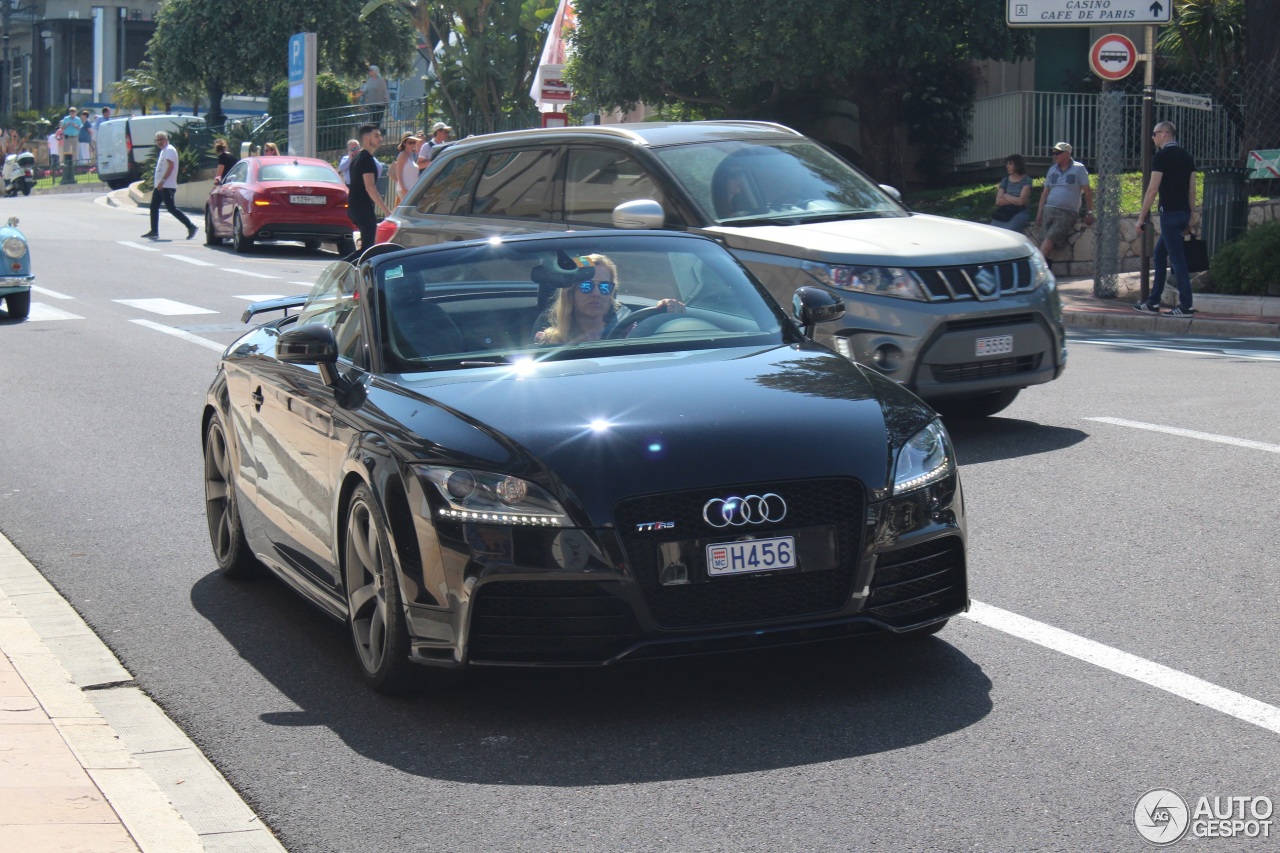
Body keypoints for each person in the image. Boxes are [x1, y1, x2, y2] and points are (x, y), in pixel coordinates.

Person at [1134, 121, 1199, 316]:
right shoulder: (1187, 156)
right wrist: (1191, 216)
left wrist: (1141, 218)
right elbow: (1193, 189)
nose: (1152, 138)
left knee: (1178, 261)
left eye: (1154, 134)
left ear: (1164, 133)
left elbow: (1152, 189)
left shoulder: (1161, 157)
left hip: (1169, 213)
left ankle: (1186, 305)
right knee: (1160, 254)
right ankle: (1153, 302)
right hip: (1183, 213)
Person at [1034, 141, 1093, 268]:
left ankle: (1034, 268)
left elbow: (1087, 191)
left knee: (1049, 240)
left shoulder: (1079, 168)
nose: (1055, 155)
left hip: (1066, 212)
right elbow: (1045, 193)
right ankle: (1046, 272)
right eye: (1054, 153)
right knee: (1047, 243)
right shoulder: (1052, 170)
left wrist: (1089, 212)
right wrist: (1039, 213)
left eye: (1058, 153)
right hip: (1049, 210)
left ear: (1067, 153)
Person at [343, 124, 392, 262]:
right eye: (376, 136)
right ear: (366, 138)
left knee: (366, 249)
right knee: (367, 250)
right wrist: (386, 211)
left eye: (380, 136)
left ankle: (351, 275)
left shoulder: (358, 157)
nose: (380, 139)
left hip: (356, 208)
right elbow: (370, 187)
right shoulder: (366, 159)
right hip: (362, 209)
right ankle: (339, 271)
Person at [141, 131, 198, 241]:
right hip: (160, 186)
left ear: (166, 139)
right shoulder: (164, 151)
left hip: (166, 186)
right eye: (157, 140)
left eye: (161, 139)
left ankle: (191, 226)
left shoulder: (170, 150)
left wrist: (162, 181)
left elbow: (171, 167)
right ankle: (154, 231)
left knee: (171, 208)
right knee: (154, 207)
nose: (159, 142)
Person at [990, 154, 1032, 233]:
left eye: (1010, 164)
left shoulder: (1026, 180)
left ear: (1017, 165)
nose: (1007, 166)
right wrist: (1015, 201)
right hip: (1005, 212)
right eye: (1007, 164)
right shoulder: (1005, 180)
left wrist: (1006, 195)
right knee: (993, 231)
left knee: (1008, 232)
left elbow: (1021, 201)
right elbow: (998, 201)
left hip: (1020, 213)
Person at [394, 134, 421, 203]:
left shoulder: (410, 155)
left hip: (411, 189)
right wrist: (404, 189)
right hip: (405, 189)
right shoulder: (402, 155)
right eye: (410, 142)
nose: (412, 144)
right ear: (404, 143)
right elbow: (399, 174)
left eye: (414, 142)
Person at [57, 107, 81, 182]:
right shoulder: (66, 118)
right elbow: (62, 128)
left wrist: (75, 126)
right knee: (66, 151)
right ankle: (66, 165)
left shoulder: (78, 119)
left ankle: (74, 166)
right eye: (71, 111)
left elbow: (80, 128)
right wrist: (66, 125)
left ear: (76, 112)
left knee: (75, 151)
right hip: (67, 137)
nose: (72, 113)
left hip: (75, 137)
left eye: (73, 111)